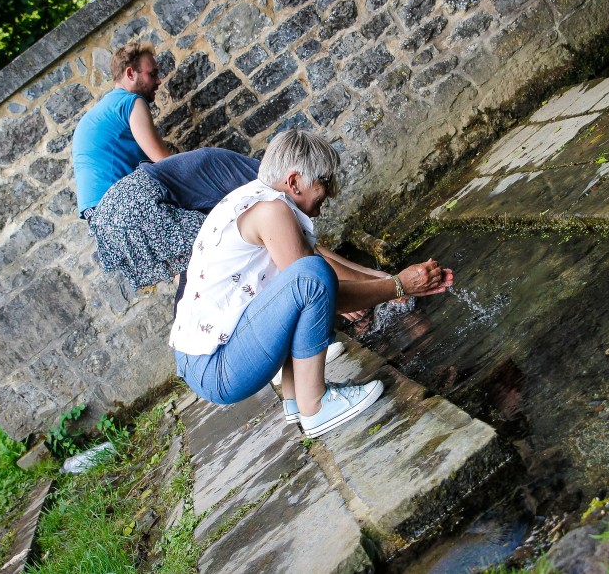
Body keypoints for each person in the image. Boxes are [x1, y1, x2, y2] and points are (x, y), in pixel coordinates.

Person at [170, 130, 454, 437]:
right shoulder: (271, 212)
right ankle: (315, 406)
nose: (330, 194)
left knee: (304, 275)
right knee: (312, 274)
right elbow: (318, 287)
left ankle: (295, 399)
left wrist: (387, 282)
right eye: (325, 182)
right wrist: (399, 286)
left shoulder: (255, 199)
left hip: (205, 360)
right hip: (218, 367)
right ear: (294, 182)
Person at [90, 147, 259, 290]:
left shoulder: (225, 168)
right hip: (133, 204)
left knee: (193, 273)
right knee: (218, 245)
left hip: (111, 210)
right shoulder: (257, 179)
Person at [72, 42, 171, 221]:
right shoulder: (130, 102)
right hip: (120, 206)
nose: (158, 81)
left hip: (97, 217)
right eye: (152, 74)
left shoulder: (101, 110)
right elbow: (166, 163)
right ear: (130, 73)